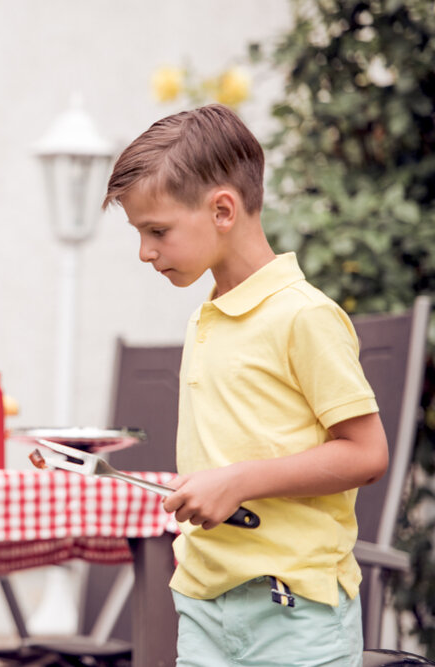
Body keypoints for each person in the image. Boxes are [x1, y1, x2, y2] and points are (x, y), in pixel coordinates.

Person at [103, 104, 388, 666]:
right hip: (204, 604)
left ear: (222, 210)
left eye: (157, 231)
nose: (145, 252)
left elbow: (367, 452)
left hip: (296, 611)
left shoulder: (304, 316)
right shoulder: (205, 318)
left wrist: (239, 482)